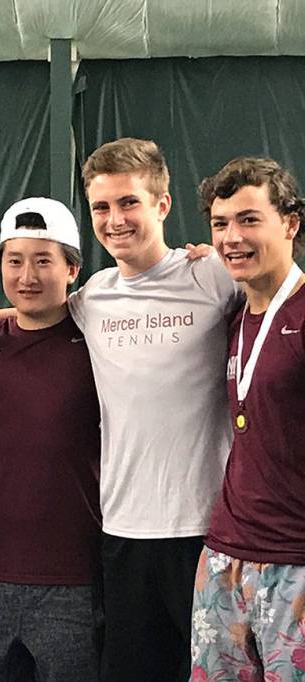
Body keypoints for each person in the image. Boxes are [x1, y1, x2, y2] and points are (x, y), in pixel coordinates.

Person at [70, 138, 242, 681]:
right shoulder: (91, 296)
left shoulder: (212, 276)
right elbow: (25, 309)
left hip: (206, 531)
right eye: (101, 206)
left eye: (129, 203)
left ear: (162, 206)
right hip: (122, 532)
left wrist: (217, 251)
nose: (115, 219)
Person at [0, 197, 102, 680]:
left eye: (44, 261)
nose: (27, 276)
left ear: (72, 270)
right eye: (14, 261)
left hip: (75, 580)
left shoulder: (102, 343)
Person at [190, 157, 305, 679]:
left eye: (249, 219)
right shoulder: (235, 313)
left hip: (297, 562)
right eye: (220, 224)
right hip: (224, 557)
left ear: (290, 222)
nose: (232, 236)